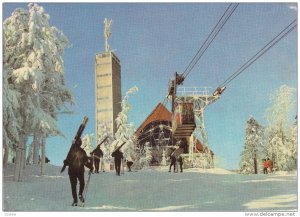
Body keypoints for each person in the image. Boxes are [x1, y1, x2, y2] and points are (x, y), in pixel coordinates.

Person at [63, 138, 93, 206]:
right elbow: (85, 162)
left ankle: (75, 200)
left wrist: (65, 162)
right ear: (80, 143)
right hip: (79, 170)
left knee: (73, 186)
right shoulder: (82, 151)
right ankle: (80, 194)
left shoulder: (71, 151)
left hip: (72, 171)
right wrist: (91, 167)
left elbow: (67, 162)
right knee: (82, 183)